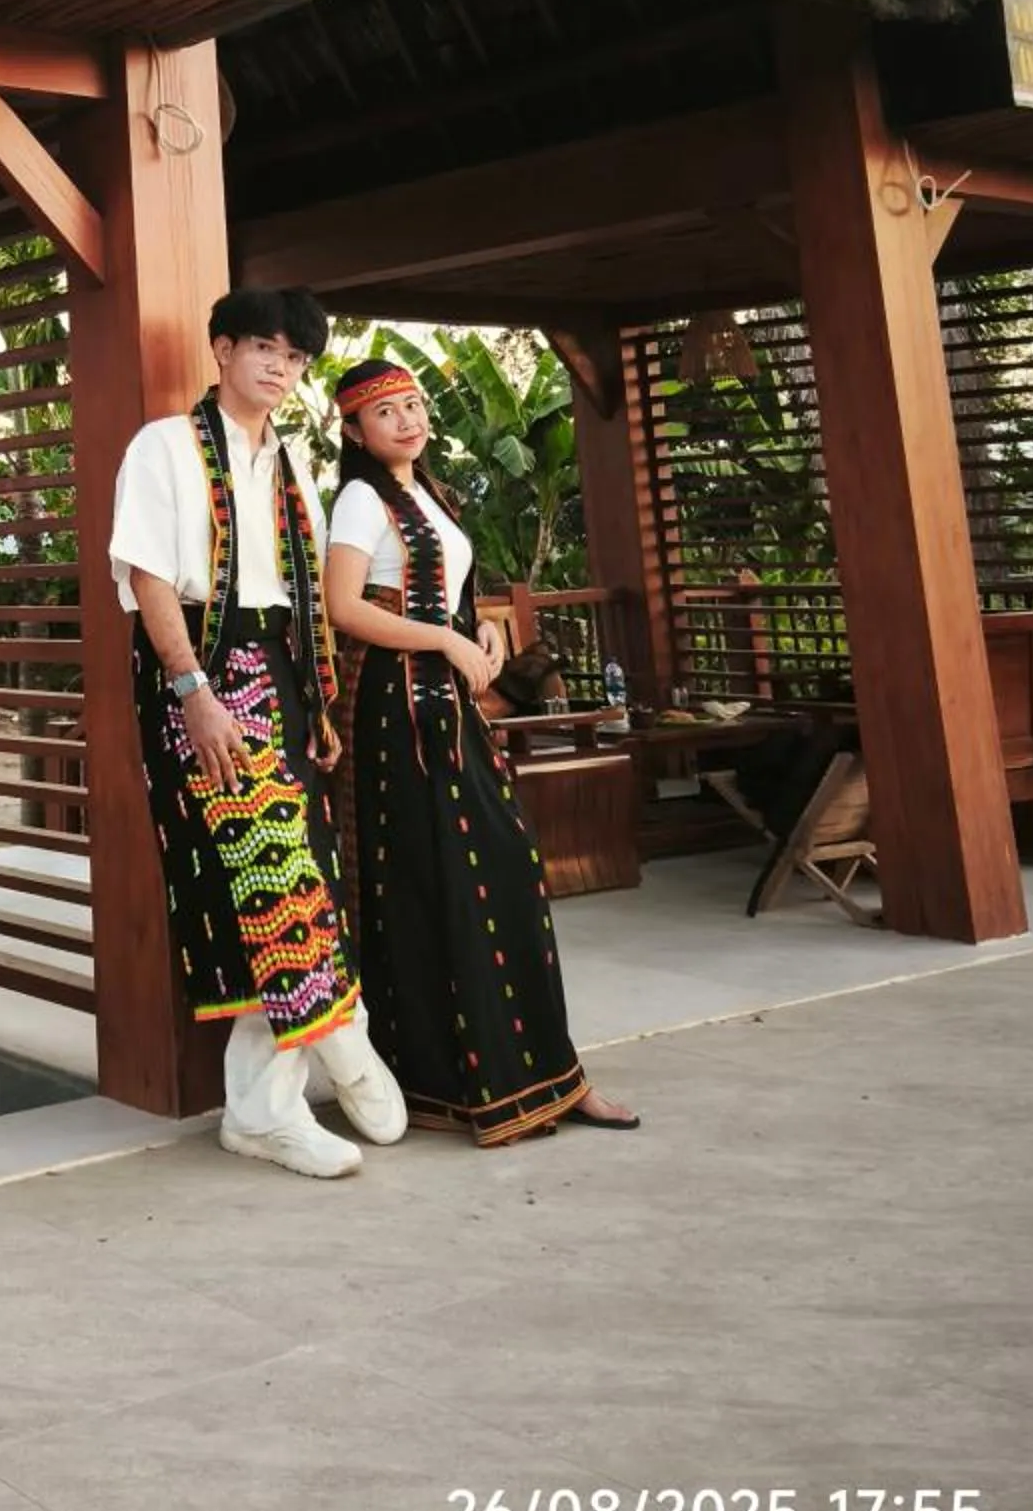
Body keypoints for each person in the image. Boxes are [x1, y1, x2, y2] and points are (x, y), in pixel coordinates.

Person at [111, 288, 408, 1176]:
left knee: (294, 872)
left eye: (298, 360)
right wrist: (193, 689)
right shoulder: (163, 445)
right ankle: (342, 1041)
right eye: (268, 351)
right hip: (204, 662)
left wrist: (316, 700)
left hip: (277, 672)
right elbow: (148, 576)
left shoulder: (287, 464)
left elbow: (306, 594)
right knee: (270, 870)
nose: (282, 370)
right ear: (223, 349)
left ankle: (262, 1106)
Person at [323, 355, 640, 1143]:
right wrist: (443, 640)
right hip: (397, 719)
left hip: (448, 708)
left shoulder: (432, 494)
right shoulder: (361, 499)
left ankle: (550, 1077)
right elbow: (341, 606)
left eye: (414, 403)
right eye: (387, 410)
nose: (408, 418)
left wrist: (484, 629)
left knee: (503, 876)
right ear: (355, 430)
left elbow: (450, 596)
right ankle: (469, 1084)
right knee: (444, 889)